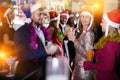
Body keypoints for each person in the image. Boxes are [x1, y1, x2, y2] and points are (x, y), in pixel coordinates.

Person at [13, 4, 56, 80]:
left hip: (44, 73)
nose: (42, 17)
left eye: (44, 14)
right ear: (31, 15)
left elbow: (48, 44)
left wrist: (53, 48)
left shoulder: (44, 30)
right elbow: (21, 55)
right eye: (39, 14)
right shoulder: (21, 32)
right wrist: (44, 51)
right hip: (30, 74)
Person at [78, 9, 120, 80]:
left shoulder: (111, 45)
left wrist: (89, 65)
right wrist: (94, 54)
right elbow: (105, 56)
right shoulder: (108, 41)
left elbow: (108, 68)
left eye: (103, 22)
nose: (100, 24)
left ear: (109, 26)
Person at [68, 6, 96, 80]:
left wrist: (75, 41)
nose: (84, 19)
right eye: (82, 16)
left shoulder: (89, 34)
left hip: (84, 71)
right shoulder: (83, 32)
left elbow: (89, 56)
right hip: (79, 68)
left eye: (87, 17)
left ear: (91, 19)